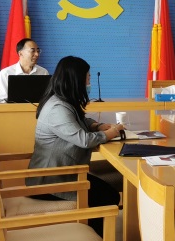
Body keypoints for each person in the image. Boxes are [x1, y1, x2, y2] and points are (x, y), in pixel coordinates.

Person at [26, 56, 124, 213]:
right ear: (76, 80)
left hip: (62, 172)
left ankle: (92, 227)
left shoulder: (62, 101)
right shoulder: (57, 109)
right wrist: (112, 132)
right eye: (88, 78)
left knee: (107, 192)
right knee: (108, 196)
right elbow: (84, 140)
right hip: (49, 181)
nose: (89, 84)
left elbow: (79, 120)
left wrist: (97, 126)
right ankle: (89, 229)